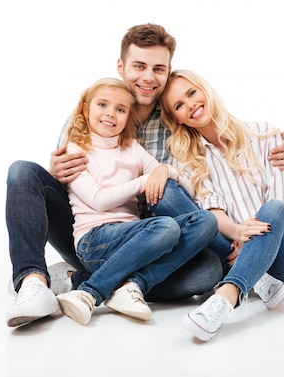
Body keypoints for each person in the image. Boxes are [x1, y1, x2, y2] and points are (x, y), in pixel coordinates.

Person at [5, 23, 284, 327]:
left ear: (168, 72)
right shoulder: (94, 113)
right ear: (121, 66)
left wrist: (269, 146)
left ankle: (85, 281)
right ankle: (34, 284)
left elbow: (203, 170)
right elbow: (78, 193)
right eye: (139, 66)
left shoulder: (176, 122)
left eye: (158, 69)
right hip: (91, 233)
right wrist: (56, 174)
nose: (147, 77)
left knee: (209, 268)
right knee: (23, 172)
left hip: (156, 242)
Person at [161, 69, 284, 342]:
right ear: (177, 119)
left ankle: (226, 296)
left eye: (192, 93)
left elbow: (279, 202)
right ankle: (257, 281)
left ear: (204, 90)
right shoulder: (189, 159)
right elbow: (212, 208)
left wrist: (249, 240)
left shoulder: (266, 134)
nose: (190, 105)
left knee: (275, 208)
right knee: (199, 219)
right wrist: (235, 232)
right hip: (234, 247)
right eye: (179, 106)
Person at [54, 77, 217, 325]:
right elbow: (98, 200)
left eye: (120, 110)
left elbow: (184, 183)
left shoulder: (132, 149)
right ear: (86, 109)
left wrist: (165, 171)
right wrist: (144, 182)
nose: (111, 114)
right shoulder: (76, 150)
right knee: (166, 226)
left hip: (137, 242)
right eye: (102, 105)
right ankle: (89, 292)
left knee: (206, 221)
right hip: (95, 241)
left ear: (129, 117)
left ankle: (130, 285)